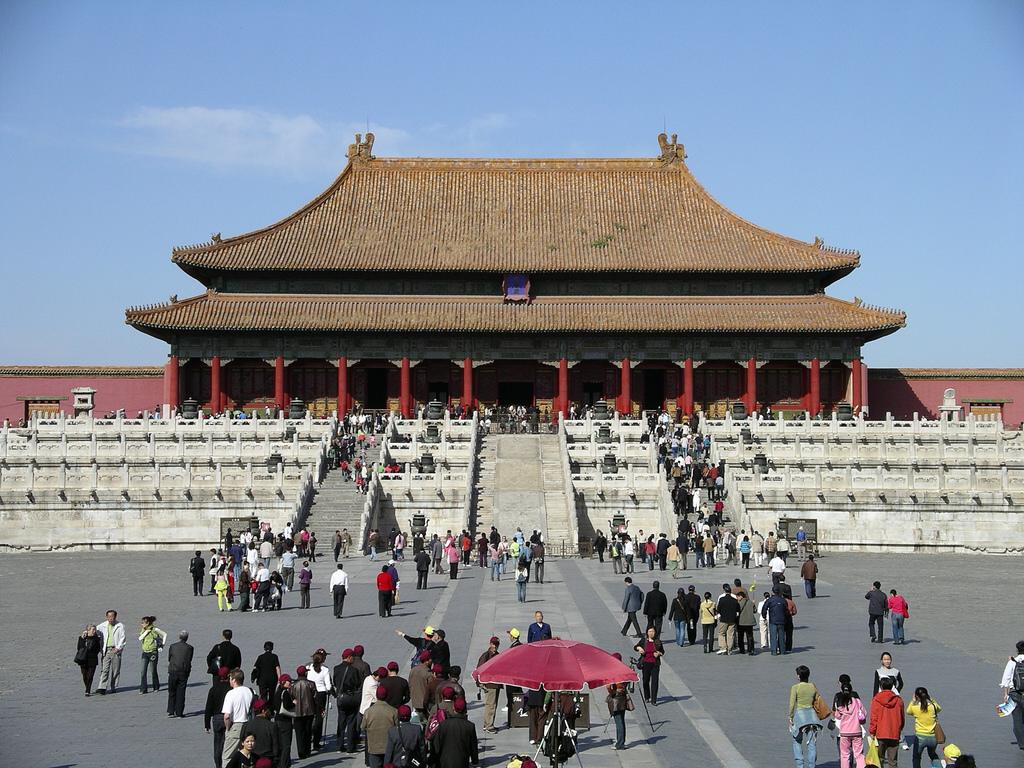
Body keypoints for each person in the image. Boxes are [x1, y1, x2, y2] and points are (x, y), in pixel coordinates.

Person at [789, 665, 824, 768]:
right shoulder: (813, 686)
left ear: (799, 676)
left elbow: (792, 704)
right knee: (812, 745)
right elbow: (817, 700)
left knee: (797, 741)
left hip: (800, 717)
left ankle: (800, 765)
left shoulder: (795, 687)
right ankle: (812, 766)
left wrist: (790, 717)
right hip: (812, 718)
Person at [869, 676, 905, 768]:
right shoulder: (899, 700)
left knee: (879, 760)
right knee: (893, 761)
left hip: (880, 733)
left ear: (881, 687)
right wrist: (899, 729)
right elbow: (902, 718)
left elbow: (874, 717)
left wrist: (872, 731)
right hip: (894, 733)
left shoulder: (876, 699)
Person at [432, 696, 479, 767]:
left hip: (444, 762)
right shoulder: (470, 726)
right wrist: (475, 761)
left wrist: (432, 760)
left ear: (453, 708)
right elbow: (473, 747)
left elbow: (436, 745)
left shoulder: (443, 724)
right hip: (462, 762)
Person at [222, 669, 255, 767]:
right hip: (248, 725)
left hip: (236, 726)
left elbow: (227, 716)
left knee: (227, 756)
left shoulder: (231, 694)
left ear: (234, 680)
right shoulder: (250, 691)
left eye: (230, 679)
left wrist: (228, 729)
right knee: (246, 754)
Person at [363, 685, 399, 768]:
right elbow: (397, 728)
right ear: (386, 695)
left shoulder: (368, 711)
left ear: (376, 695)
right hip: (389, 747)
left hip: (374, 747)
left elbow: (362, 727)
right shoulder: (393, 711)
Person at [906, 687, 942, 768]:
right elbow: (939, 709)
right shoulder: (933, 706)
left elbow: (908, 711)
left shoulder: (915, 708)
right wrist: (932, 700)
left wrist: (913, 701)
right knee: (933, 755)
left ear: (916, 696)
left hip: (920, 737)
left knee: (916, 757)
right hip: (933, 737)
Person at [999, 640, 1024, 752]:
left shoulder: (1012, 662)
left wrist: (1005, 695)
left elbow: (1005, 680)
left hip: (1015, 694)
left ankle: (1022, 743)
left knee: (1017, 720)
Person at [833, 688, 868, 768]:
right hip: (857, 731)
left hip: (844, 733)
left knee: (845, 755)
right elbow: (864, 713)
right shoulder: (857, 701)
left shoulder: (840, 703)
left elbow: (837, 716)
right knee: (859, 755)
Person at [240, 698, 280, 765]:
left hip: (251, 760)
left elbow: (241, 743)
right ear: (263, 711)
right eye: (268, 710)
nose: (269, 711)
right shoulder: (271, 726)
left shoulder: (246, 725)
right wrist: (276, 760)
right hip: (267, 760)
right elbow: (276, 746)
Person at [205, 667, 232, 768]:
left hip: (216, 718)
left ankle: (218, 764)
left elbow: (208, 707)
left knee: (217, 742)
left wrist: (206, 724)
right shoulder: (231, 689)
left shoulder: (213, 689)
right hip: (228, 717)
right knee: (228, 742)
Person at [95, 609, 125, 695]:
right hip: (106, 650)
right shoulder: (103, 625)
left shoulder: (120, 626)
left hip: (115, 650)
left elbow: (123, 639)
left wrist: (118, 648)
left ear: (115, 617)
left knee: (116, 670)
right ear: (106, 617)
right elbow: (94, 630)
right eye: (109, 617)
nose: (110, 618)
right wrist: (86, 632)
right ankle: (102, 687)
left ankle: (114, 687)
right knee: (104, 669)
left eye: (112, 616)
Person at [290, 666, 317, 760]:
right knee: (308, 731)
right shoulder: (310, 684)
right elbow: (314, 696)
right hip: (309, 711)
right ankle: (307, 750)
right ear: (305, 673)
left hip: (297, 712)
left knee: (299, 732)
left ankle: (301, 752)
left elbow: (291, 696)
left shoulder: (293, 685)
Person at [633, 627, 664, 705]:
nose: (651, 633)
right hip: (645, 663)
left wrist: (659, 653)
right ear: (647, 632)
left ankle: (654, 700)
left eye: (653, 631)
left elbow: (662, 651)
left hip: (655, 664)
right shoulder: (644, 641)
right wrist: (639, 648)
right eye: (650, 631)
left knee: (655, 682)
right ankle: (647, 697)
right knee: (645, 681)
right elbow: (635, 647)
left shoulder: (658, 641)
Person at [166, 630, 193, 717]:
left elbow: (169, 658)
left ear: (179, 637)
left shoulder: (172, 646)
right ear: (187, 638)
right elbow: (189, 659)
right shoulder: (190, 648)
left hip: (173, 670)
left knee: (172, 691)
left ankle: (171, 710)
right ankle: (179, 712)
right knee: (181, 692)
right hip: (183, 671)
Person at [476, 637, 500, 733]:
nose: (495, 646)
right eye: (494, 644)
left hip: (496, 683)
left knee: (492, 705)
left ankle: (488, 724)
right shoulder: (486, 656)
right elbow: (479, 669)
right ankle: (489, 726)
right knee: (490, 705)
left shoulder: (497, 655)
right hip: (489, 684)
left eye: (497, 644)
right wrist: (479, 683)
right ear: (490, 644)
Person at [272, 674, 296, 767]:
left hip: (277, 720)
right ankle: (284, 764)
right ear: (283, 682)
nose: (290, 683)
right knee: (286, 745)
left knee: (280, 744)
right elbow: (287, 706)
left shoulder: (277, 691)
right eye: (289, 681)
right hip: (285, 721)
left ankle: (281, 763)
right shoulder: (285, 693)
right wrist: (294, 703)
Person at [762, 587, 788, 655]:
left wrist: (764, 616)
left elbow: (764, 608)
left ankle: (774, 651)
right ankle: (782, 650)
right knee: (781, 636)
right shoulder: (783, 600)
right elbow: (786, 609)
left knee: (773, 636)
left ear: (772, 592)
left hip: (773, 620)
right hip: (781, 620)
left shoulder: (770, 600)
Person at [715, 584, 740, 656]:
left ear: (725, 591)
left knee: (721, 633)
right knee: (730, 634)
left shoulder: (722, 599)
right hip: (732, 619)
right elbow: (738, 610)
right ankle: (730, 649)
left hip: (723, 619)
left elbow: (718, 609)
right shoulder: (735, 600)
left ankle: (723, 647)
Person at [606, 676, 629, 750]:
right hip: (623, 697)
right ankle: (622, 741)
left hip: (616, 698)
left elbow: (608, 686)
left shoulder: (613, 675)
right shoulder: (624, 674)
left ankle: (619, 743)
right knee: (622, 720)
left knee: (619, 721)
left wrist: (611, 692)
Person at [736, 590, 757, 655]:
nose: (737, 598)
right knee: (750, 636)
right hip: (749, 622)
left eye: (738, 597)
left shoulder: (738, 603)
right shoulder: (751, 602)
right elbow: (755, 611)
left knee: (740, 637)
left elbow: (737, 612)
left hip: (741, 622)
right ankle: (751, 650)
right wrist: (753, 604)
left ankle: (742, 650)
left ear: (741, 596)